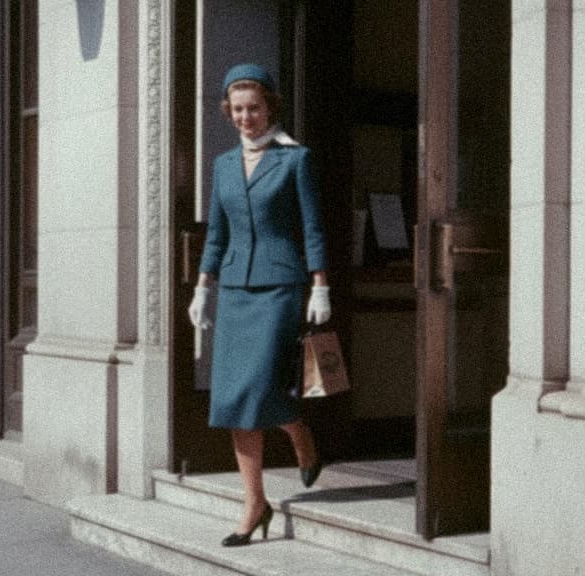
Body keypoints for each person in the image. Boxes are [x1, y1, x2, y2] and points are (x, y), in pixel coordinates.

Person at [187, 63, 332, 547]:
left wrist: (320, 286)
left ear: (270, 107)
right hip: (234, 290)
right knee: (232, 398)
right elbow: (218, 232)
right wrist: (203, 287)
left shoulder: (296, 159)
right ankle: (254, 502)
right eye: (238, 109)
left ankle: (298, 434)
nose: (246, 117)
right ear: (228, 112)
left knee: (260, 385)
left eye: (255, 108)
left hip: (279, 288)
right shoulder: (223, 166)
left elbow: (312, 227)